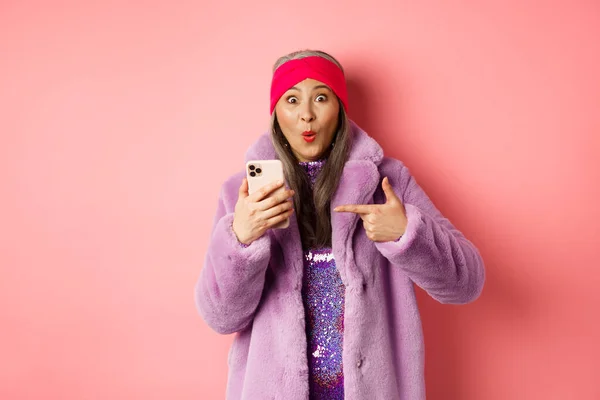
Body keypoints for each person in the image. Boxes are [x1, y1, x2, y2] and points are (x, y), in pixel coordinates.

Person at [194, 49, 485, 400]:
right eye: (291, 99)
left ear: (340, 109)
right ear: (275, 114)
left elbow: (466, 282)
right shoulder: (241, 195)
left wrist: (407, 234)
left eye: (321, 97)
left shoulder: (388, 183)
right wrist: (241, 239)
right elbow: (220, 318)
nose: (306, 115)